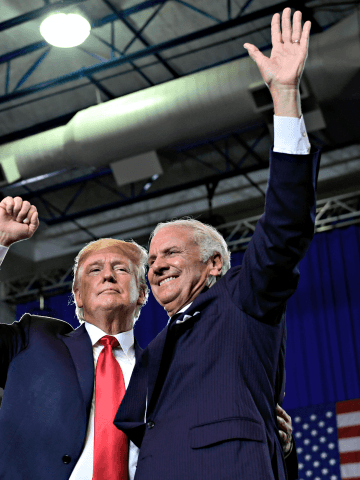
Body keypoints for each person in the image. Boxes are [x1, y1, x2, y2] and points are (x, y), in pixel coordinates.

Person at [0, 196, 295, 479]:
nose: (108, 275)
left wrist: (277, 443)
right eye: (94, 270)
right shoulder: (34, 341)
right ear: (76, 294)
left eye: (121, 269)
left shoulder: (166, 365)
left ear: (142, 292)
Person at [115, 8, 318, 480]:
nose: (157, 264)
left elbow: (285, 228)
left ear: (213, 265)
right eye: (152, 259)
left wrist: (285, 97)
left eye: (171, 252)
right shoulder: (155, 349)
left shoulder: (240, 298)